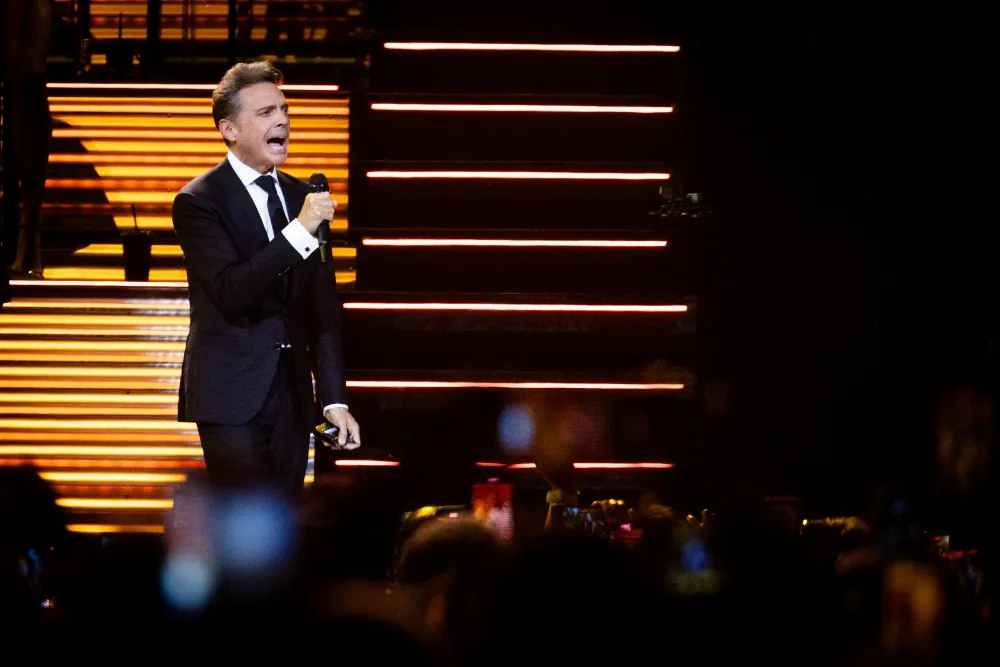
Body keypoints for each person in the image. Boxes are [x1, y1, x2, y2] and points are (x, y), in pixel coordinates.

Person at [172, 61, 360, 497]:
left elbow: (322, 308)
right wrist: (300, 229)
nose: (282, 121)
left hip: (293, 397)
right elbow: (231, 290)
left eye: (283, 109)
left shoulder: (302, 196)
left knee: (285, 522)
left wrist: (333, 398)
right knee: (246, 523)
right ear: (229, 129)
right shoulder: (199, 201)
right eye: (265, 113)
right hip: (230, 394)